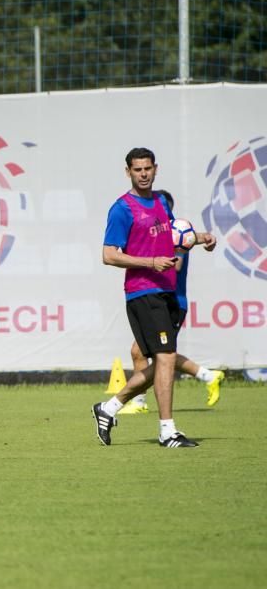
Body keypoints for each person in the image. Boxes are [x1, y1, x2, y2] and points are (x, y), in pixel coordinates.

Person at [92, 148, 211, 448]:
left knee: (159, 365)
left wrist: (201, 238)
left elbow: (173, 239)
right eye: (137, 170)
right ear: (128, 172)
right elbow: (108, 256)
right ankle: (167, 431)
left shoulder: (160, 201)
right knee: (167, 357)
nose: (143, 174)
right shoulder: (122, 208)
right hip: (143, 292)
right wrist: (151, 263)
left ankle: (108, 408)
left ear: (155, 169)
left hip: (166, 291)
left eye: (147, 169)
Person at [119, 188, 223, 415]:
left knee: (159, 354)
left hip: (173, 301)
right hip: (157, 299)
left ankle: (136, 403)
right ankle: (207, 375)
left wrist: (171, 251)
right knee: (150, 353)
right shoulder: (161, 233)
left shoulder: (178, 233)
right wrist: (204, 236)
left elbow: (175, 264)